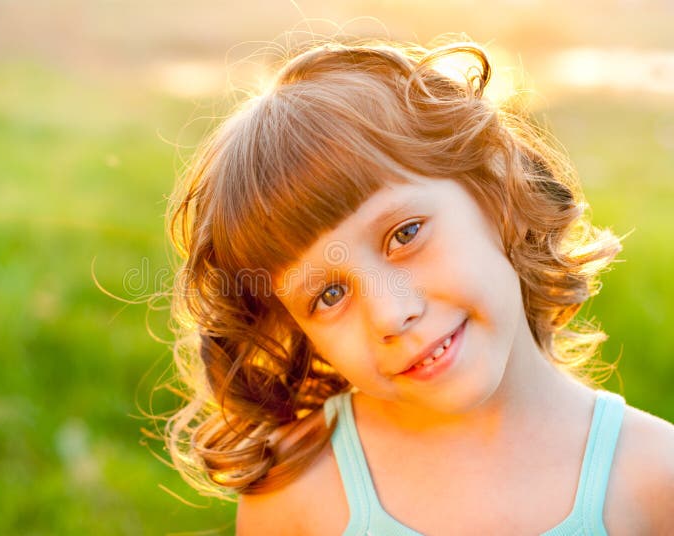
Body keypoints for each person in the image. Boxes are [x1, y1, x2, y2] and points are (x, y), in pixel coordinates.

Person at [162, 36, 674, 535]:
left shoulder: (654, 480)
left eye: (404, 235)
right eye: (329, 295)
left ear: (495, 188)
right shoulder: (298, 492)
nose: (390, 313)